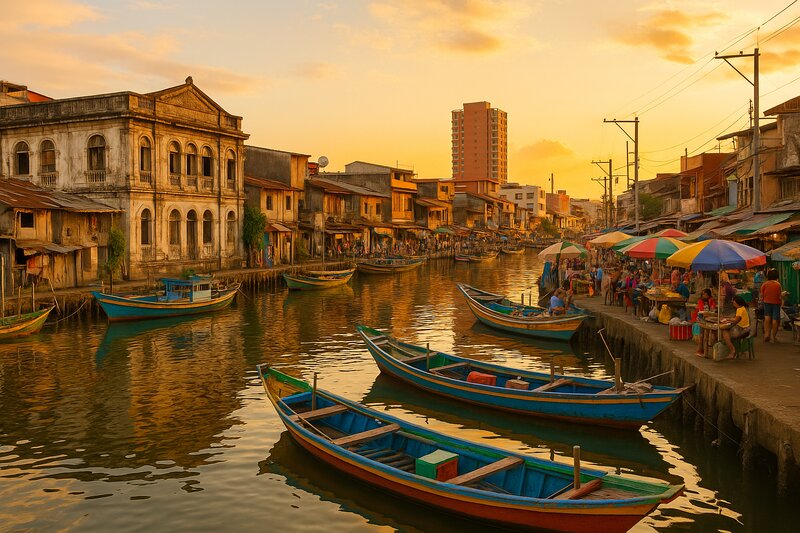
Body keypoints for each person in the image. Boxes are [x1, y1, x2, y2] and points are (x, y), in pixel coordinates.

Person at [760, 269, 783, 342]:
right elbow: (780, 296)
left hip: (766, 302)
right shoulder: (778, 284)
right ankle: (774, 337)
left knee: (767, 318)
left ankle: (767, 334)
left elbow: (761, 295)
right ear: (777, 276)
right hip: (776, 303)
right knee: (775, 320)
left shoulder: (764, 284)